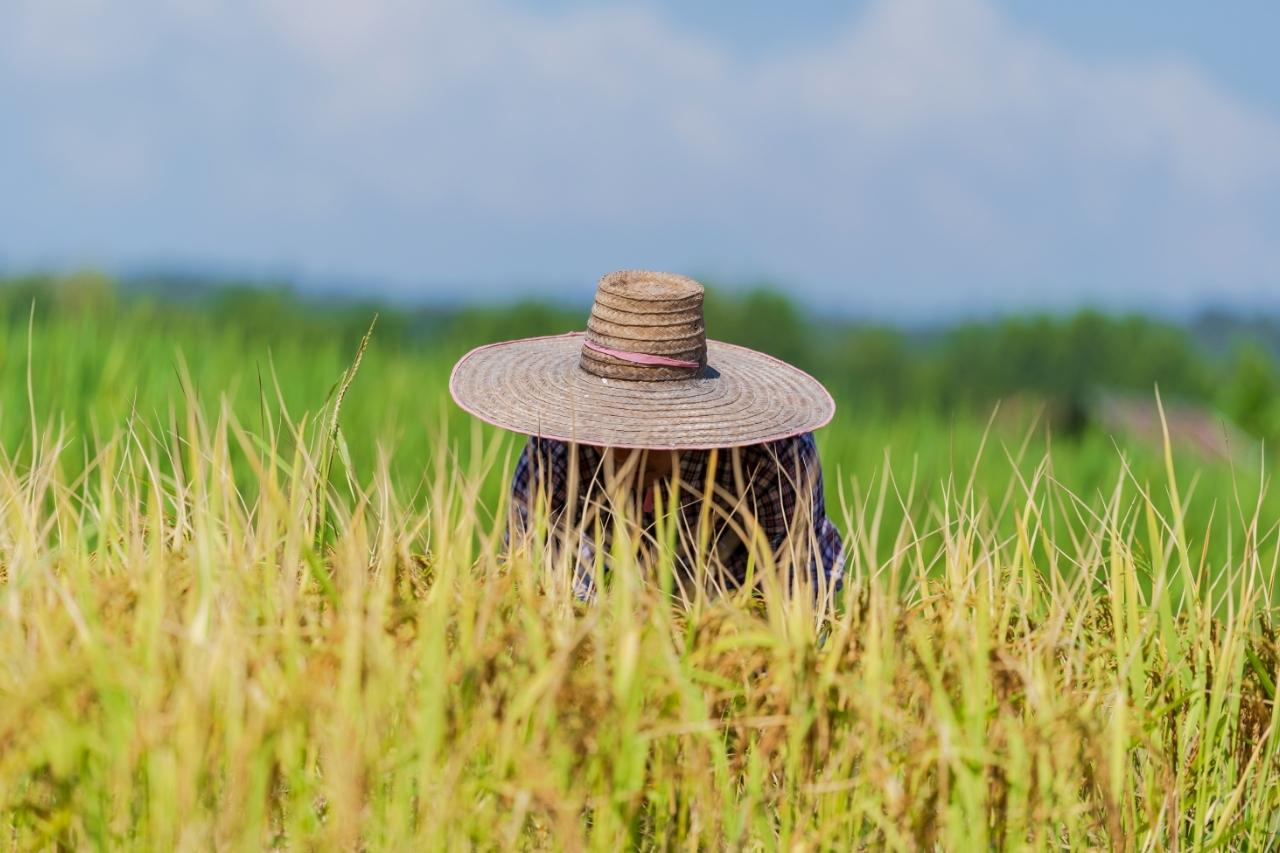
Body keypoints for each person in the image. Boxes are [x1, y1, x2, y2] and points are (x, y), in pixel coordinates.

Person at [450, 270, 844, 600]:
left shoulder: (775, 456)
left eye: (650, 436)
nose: (628, 453)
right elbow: (520, 586)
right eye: (613, 431)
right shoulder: (557, 447)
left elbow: (801, 601)